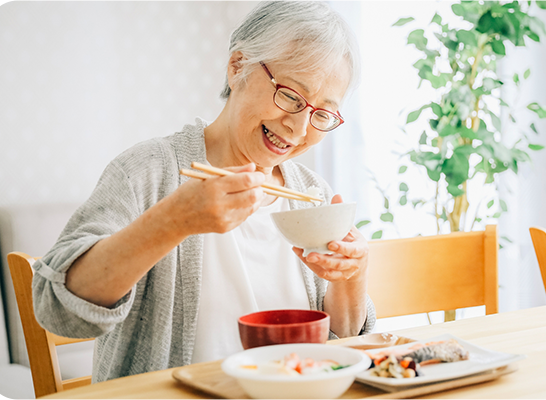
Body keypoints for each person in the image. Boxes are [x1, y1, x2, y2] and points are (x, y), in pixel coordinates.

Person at [32, 0, 375, 383]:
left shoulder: (312, 195)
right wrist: (171, 222)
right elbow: (56, 309)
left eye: (322, 114)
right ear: (237, 66)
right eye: (292, 97)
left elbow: (342, 343)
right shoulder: (148, 172)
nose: (298, 128)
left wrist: (351, 275)